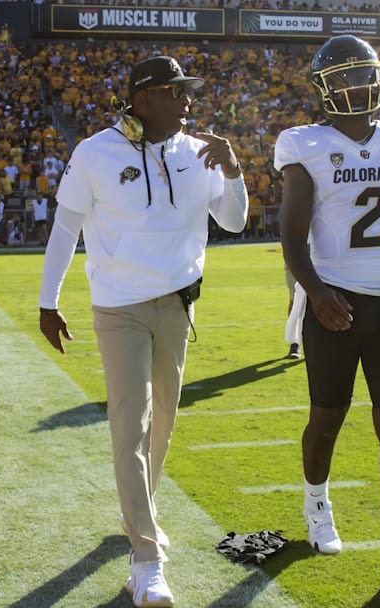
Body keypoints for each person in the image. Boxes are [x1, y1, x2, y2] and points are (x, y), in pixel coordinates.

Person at [38, 55, 247, 608]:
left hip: (178, 304)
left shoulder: (198, 149)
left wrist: (232, 170)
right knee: (129, 423)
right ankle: (146, 558)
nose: (187, 102)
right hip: (119, 307)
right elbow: (65, 227)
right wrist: (47, 300)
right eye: (176, 92)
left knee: (163, 423)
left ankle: (139, 515)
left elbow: (235, 221)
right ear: (143, 98)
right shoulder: (95, 151)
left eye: (187, 92)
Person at [276, 35, 380, 608]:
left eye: (360, 75)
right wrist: (314, 293)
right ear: (323, 88)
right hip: (335, 300)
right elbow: (292, 237)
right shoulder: (303, 143)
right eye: (341, 78)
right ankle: (316, 500)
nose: (353, 87)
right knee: (328, 417)